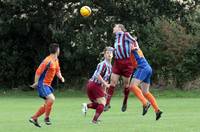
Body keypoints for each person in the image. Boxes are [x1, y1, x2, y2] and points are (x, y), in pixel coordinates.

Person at [29, 43, 65, 127]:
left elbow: (57, 70)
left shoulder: (56, 60)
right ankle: (46, 118)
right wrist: (36, 83)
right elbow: (38, 72)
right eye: (59, 49)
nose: (59, 50)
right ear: (57, 50)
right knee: (51, 99)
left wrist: (61, 77)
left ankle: (34, 118)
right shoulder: (47, 60)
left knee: (48, 103)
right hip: (42, 84)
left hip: (47, 85)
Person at [129, 40, 163, 120]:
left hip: (142, 68)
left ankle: (145, 103)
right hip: (147, 68)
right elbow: (133, 64)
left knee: (132, 86)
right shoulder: (135, 50)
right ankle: (157, 110)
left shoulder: (133, 49)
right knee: (145, 92)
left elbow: (131, 48)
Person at [104, 24, 135, 112]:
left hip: (127, 63)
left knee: (126, 85)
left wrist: (135, 49)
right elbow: (119, 48)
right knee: (112, 83)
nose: (113, 28)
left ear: (119, 28)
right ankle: (107, 103)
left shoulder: (126, 34)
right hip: (117, 62)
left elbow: (133, 41)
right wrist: (113, 50)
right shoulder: (117, 38)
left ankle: (125, 101)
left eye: (115, 27)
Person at [82, 47, 113, 124]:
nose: (109, 54)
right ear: (104, 55)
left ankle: (86, 106)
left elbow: (105, 80)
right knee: (103, 103)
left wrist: (104, 90)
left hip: (94, 85)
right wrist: (105, 84)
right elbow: (98, 75)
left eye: (111, 53)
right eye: (107, 53)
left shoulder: (110, 67)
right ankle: (94, 120)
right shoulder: (103, 64)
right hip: (94, 85)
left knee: (99, 104)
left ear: (113, 55)